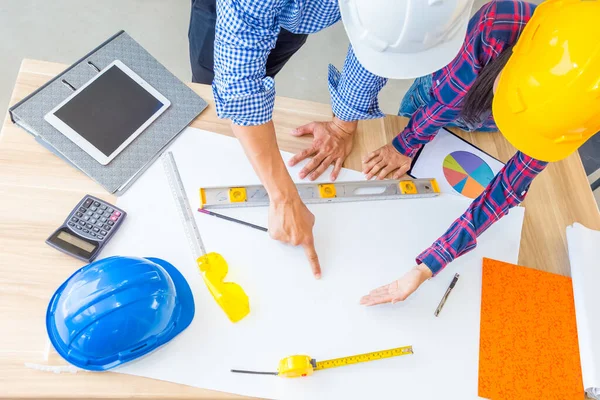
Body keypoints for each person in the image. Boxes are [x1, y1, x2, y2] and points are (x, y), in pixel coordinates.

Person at [188, 0, 476, 278]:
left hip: (294, 15)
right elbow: (239, 86)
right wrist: (283, 199)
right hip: (231, 13)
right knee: (212, 106)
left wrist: (343, 126)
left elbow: (378, 45)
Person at [359, 0, 600, 305]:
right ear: (520, 54)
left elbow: (509, 187)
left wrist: (428, 266)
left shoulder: (579, 109)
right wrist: (406, 143)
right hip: (440, 100)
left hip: (495, 125)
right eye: (509, 92)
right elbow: (446, 102)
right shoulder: (500, 23)